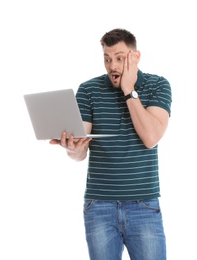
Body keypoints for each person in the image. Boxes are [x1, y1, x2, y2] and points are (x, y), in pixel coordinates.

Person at [50, 28, 172, 260]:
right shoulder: (88, 90)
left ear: (135, 57)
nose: (112, 66)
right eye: (107, 59)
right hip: (99, 207)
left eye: (119, 58)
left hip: (143, 206)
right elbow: (80, 149)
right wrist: (73, 149)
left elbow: (151, 137)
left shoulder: (158, 85)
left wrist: (129, 90)